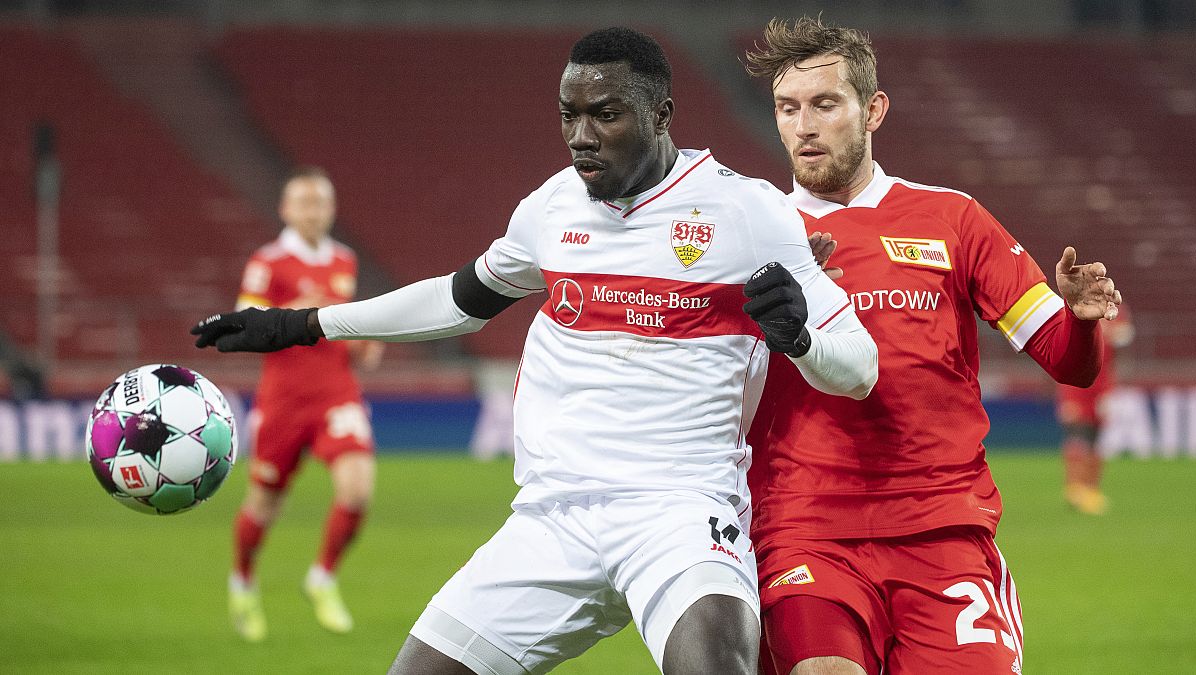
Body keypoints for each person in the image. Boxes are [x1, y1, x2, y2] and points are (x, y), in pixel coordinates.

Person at [193, 27, 878, 675]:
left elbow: (859, 366)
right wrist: (303, 324)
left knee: (716, 659)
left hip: (677, 513)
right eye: (568, 115)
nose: (581, 138)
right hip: (551, 520)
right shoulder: (552, 207)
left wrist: (803, 339)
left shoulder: (747, 213)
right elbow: (458, 299)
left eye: (605, 115)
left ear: (662, 112)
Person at [743, 17, 1122, 675]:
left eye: (825, 104)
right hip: (807, 529)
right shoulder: (750, 235)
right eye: (787, 107)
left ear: (874, 110)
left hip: (943, 530)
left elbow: (1068, 361)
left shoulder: (952, 220)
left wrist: (1083, 320)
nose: (803, 125)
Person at [226, 166, 384, 642]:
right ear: (286, 209)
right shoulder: (267, 262)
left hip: (337, 392)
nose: (314, 212)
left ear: (332, 210)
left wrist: (365, 341)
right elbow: (242, 324)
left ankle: (322, 577)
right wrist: (301, 306)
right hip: (283, 400)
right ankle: (243, 582)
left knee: (357, 488)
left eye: (321, 203)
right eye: (304, 203)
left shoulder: (345, 261)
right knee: (264, 504)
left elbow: (345, 326)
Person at [1058, 306, 1133, 515]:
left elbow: (1124, 335)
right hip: (1075, 385)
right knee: (1076, 436)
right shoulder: (1075, 307)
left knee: (1096, 440)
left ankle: (1091, 490)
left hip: (1101, 386)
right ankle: (1074, 488)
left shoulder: (1112, 309)